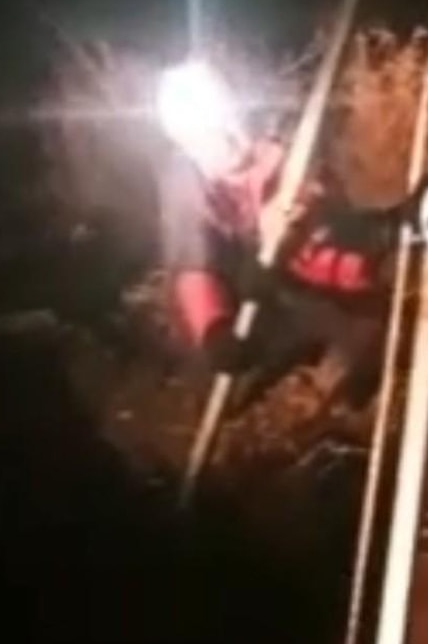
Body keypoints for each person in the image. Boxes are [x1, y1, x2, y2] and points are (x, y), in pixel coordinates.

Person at [155, 59, 394, 413]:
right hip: (245, 290)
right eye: (207, 136)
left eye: (227, 123)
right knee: (224, 378)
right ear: (188, 144)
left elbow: (317, 238)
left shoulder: (287, 151)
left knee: (363, 339)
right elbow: (194, 261)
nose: (226, 139)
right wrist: (213, 328)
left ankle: (327, 361)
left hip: (305, 279)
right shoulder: (186, 179)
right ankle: (265, 354)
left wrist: (283, 250)